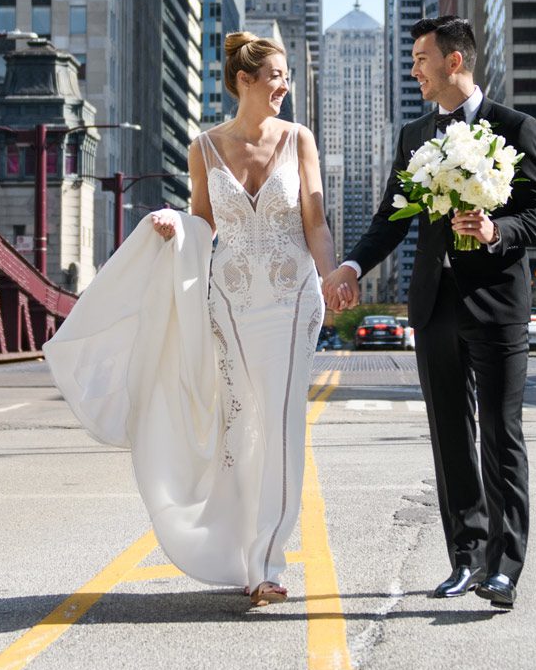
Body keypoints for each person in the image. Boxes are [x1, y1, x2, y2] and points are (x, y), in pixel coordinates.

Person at [44, 33, 336, 608]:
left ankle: (268, 564)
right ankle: (237, 548)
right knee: (240, 428)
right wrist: (175, 226)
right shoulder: (204, 146)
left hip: (291, 299)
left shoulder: (300, 139)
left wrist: (332, 276)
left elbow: (316, 223)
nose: (285, 86)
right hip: (228, 303)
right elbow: (203, 223)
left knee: (280, 423)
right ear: (244, 80)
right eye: (275, 75)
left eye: (286, 76)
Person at [323, 16, 536, 611]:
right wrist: (350, 266)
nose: (413, 70)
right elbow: (391, 218)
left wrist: (495, 229)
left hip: (498, 303)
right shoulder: (415, 135)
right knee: (450, 436)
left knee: (501, 434)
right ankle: (466, 559)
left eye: (421, 59)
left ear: (455, 62)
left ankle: (504, 568)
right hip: (434, 305)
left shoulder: (514, 127)